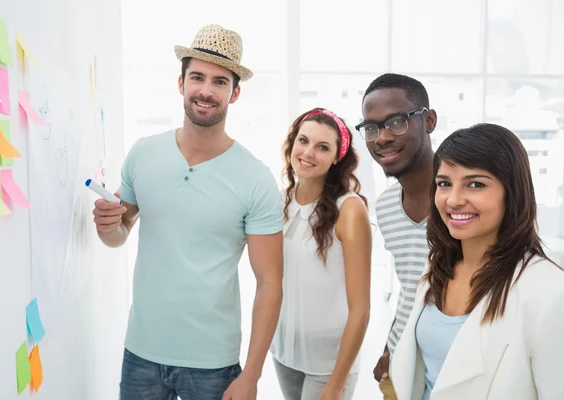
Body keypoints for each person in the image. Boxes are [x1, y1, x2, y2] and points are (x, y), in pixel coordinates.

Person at [92, 24, 284, 400]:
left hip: (213, 364)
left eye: (219, 81)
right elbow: (120, 233)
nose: (206, 91)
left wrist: (252, 376)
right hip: (141, 353)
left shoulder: (255, 178)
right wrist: (107, 225)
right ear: (181, 83)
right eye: (197, 77)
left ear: (235, 93)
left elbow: (270, 283)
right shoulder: (143, 154)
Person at [389, 123, 564, 399]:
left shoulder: (549, 290)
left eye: (475, 184)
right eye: (444, 184)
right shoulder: (436, 267)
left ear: (512, 192)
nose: (454, 200)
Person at [270, 108, 372, 400]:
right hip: (284, 352)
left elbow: (361, 308)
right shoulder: (282, 200)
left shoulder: (349, 209)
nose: (308, 153)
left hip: (328, 364)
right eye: (303, 141)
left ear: (337, 157)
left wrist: (336, 385)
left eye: (322, 147)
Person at [356, 74, 437, 399]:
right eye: (372, 128)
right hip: (405, 365)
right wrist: (391, 347)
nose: (382, 138)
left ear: (428, 120)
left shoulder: (463, 198)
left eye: (397, 122)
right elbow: (411, 288)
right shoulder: (387, 206)